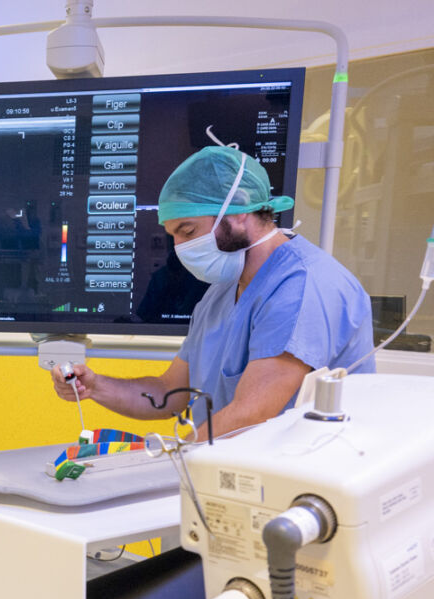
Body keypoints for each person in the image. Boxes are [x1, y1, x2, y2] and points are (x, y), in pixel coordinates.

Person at [53, 146, 374, 439]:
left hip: (302, 479)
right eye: (173, 236)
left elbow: (252, 413)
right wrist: (97, 386)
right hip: (234, 470)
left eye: (188, 231)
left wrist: (175, 462)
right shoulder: (219, 293)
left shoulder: (303, 286)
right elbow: (170, 392)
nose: (180, 248)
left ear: (237, 212)